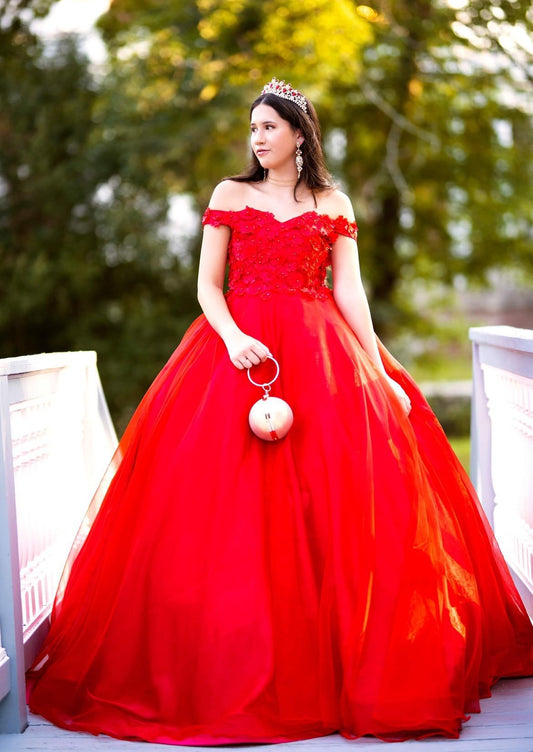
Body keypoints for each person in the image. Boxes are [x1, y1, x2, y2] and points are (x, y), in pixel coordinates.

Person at [27, 77, 533, 745]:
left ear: (299, 134)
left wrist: (379, 369)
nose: (257, 138)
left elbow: (349, 292)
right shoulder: (229, 195)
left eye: (269, 126)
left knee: (335, 500)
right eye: (253, 128)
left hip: (320, 355)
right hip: (238, 353)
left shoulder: (334, 203)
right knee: (224, 505)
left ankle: (332, 662)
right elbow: (207, 286)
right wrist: (234, 338)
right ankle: (232, 659)